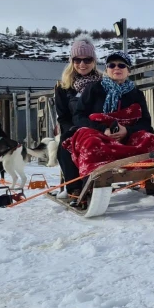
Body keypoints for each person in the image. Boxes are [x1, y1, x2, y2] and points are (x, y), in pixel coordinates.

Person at [63, 50, 154, 200]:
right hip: (99, 134)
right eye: (112, 65)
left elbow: (145, 121)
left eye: (121, 65)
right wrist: (103, 129)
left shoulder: (136, 93)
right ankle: (88, 187)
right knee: (90, 143)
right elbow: (79, 116)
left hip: (128, 136)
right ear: (107, 70)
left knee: (149, 138)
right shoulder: (93, 89)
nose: (116, 68)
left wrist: (127, 131)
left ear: (128, 70)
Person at [54, 34, 103, 198]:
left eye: (87, 60)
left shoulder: (103, 83)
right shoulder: (63, 87)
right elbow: (63, 117)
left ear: (94, 61)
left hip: (99, 127)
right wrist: (72, 130)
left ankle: (98, 181)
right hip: (75, 128)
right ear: (72, 61)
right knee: (65, 144)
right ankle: (74, 187)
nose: (82, 64)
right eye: (77, 60)